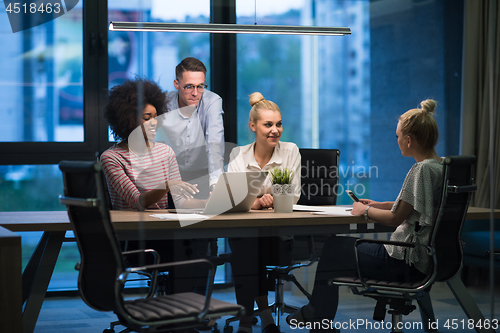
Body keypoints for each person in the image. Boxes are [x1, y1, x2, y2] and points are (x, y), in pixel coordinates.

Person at [286, 99, 443, 332]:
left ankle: (316, 315)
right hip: (428, 258)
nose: (397, 140)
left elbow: (394, 219)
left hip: (405, 261)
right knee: (338, 257)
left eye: (398, 136)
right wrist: (381, 203)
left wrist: (365, 210)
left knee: (332, 248)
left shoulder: (419, 170)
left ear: (409, 140)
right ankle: (319, 320)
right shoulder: (439, 167)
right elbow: (414, 206)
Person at [100, 77, 208, 294]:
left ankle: (186, 312)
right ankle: (180, 314)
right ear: (128, 119)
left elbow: (181, 201)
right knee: (189, 249)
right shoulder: (111, 158)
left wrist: (212, 202)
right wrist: (167, 184)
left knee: (201, 242)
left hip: (165, 230)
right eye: (146, 118)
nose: (154, 123)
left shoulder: (164, 151)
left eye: (155, 117)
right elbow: (139, 202)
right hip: (136, 238)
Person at [227, 92, 301, 333]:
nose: (275, 130)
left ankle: (247, 319)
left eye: (278, 124)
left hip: (280, 237)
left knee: (246, 245)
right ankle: (263, 315)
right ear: (253, 126)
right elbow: (232, 198)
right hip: (249, 235)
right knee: (246, 242)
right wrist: (258, 203)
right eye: (268, 124)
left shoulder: (290, 151)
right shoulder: (238, 155)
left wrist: (260, 199)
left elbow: (294, 194)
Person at [161, 57, 225, 199]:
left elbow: (214, 144)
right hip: (170, 177)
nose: (195, 93)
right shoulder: (163, 103)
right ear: (176, 84)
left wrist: (216, 185)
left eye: (200, 86)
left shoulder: (212, 102)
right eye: (189, 86)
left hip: (203, 176)